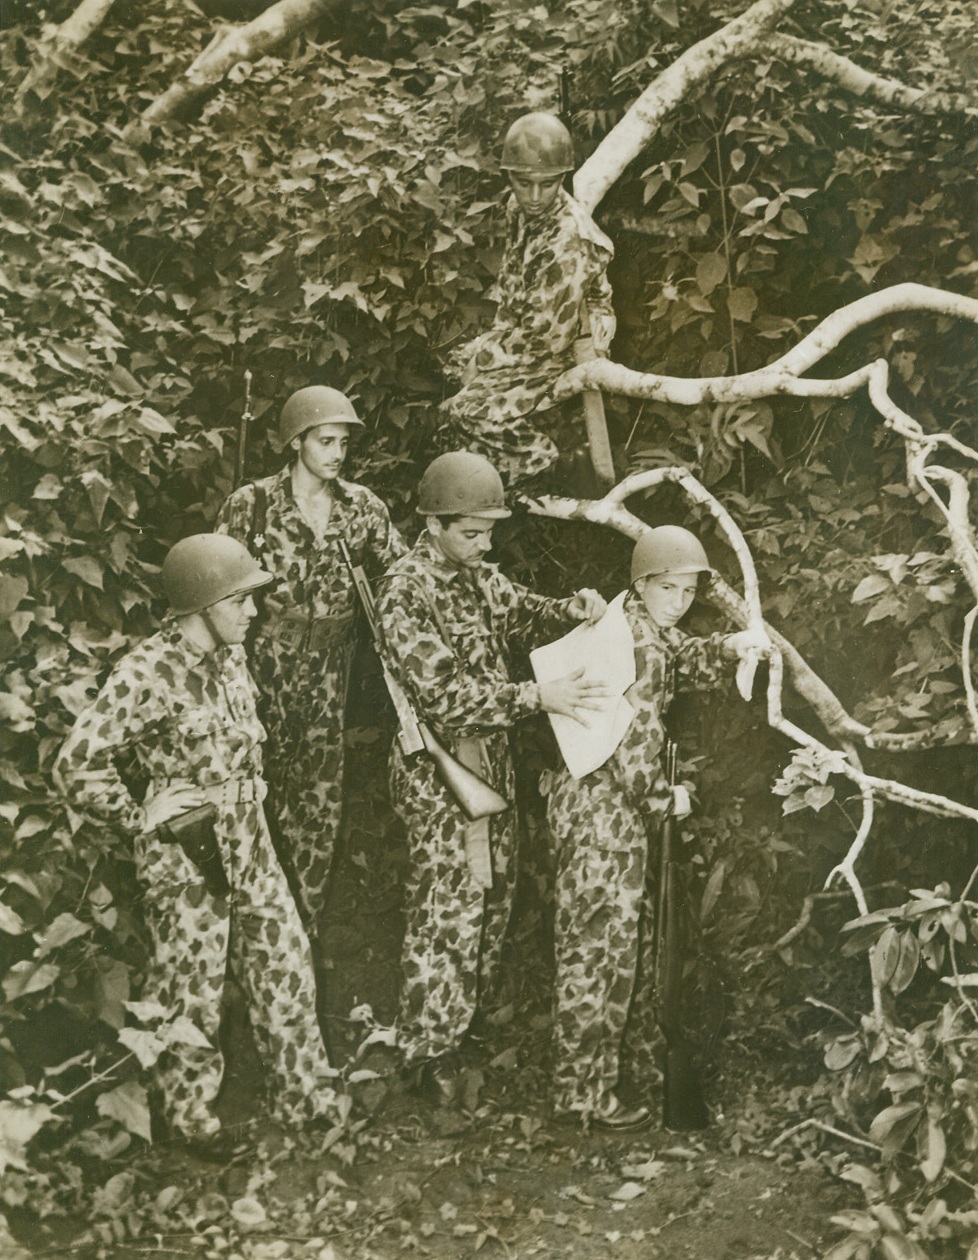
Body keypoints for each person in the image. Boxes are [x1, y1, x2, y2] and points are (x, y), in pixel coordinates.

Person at [53, 535, 339, 1155]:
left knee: (285, 962)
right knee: (192, 987)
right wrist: (140, 813)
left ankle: (307, 1098)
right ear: (200, 606)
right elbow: (76, 764)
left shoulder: (230, 657)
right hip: (189, 847)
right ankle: (192, 1122)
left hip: (251, 836)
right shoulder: (146, 672)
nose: (253, 612)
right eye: (239, 600)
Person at [376, 451, 610, 1102]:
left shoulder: (477, 574)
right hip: (441, 769)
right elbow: (443, 695)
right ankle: (426, 1057)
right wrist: (538, 697)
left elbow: (525, 611)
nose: (485, 545)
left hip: (491, 761)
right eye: (471, 533)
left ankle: (460, 1027)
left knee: (492, 900)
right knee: (446, 912)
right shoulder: (405, 589)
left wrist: (574, 609)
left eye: (490, 532)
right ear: (434, 525)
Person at [544, 526, 768, 1130]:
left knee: (624, 950)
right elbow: (637, 733)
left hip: (604, 812)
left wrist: (725, 648)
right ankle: (581, 1095)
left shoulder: (636, 626)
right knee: (598, 954)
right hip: (602, 816)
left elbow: (677, 657)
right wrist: (664, 796)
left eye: (690, 591)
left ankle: (617, 1076)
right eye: (669, 589)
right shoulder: (635, 640)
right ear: (642, 585)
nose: (681, 601)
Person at [216, 385, 405, 943]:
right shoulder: (250, 506)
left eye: (344, 442)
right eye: (326, 441)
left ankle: (298, 939)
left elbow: (402, 582)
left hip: (329, 674)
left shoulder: (364, 509)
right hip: (257, 672)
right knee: (247, 799)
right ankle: (235, 935)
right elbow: (215, 591)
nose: (337, 453)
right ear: (296, 441)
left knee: (317, 812)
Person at [440, 112, 616, 489]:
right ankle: (495, 475)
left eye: (548, 184)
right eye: (524, 183)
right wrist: (486, 347)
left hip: (566, 345)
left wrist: (483, 357)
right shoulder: (517, 209)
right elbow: (513, 286)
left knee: (465, 411)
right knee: (450, 369)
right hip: (525, 332)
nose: (535, 197)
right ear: (510, 177)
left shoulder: (568, 242)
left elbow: (546, 340)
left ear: (561, 179)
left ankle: (548, 464)